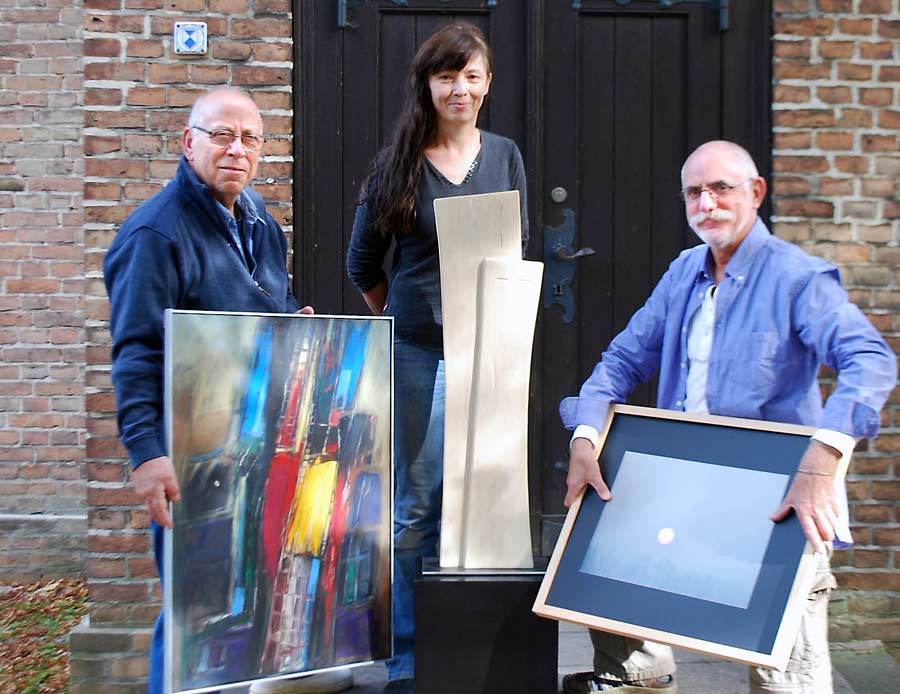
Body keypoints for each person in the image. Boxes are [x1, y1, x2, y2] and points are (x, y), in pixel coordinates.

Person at [558, 140, 896, 694]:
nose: (707, 203)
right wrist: (586, 434)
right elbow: (621, 361)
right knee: (605, 514)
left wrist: (822, 460)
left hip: (775, 491)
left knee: (786, 675)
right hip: (683, 480)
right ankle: (636, 676)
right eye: (695, 192)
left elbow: (871, 360)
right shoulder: (684, 272)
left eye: (722, 188)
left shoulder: (797, 278)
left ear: (755, 193)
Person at [104, 87, 352, 694]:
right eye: (221, 135)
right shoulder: (155, 236)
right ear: (188, 143)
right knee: (193, 618)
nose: (236, 149)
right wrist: (146, 452)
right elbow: (135, 352)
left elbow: (265, 311)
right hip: (192, 456)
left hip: (259, 449)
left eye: (249, 139)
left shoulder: (260, 221)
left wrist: (295, 328)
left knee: (247, 607)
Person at [346, 21, 528, 694]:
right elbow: (361, 262)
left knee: (480, 499)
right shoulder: (397, 164)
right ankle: (406, 658)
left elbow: (516, 247)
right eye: (447, 75)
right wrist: (406, 316)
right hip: (420, 355)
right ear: (427, 84)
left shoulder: (505, 155)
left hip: (489, 354)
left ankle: (471, 653)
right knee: (417, 506)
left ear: (487, 84)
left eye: (472, 75)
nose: (461, 88)